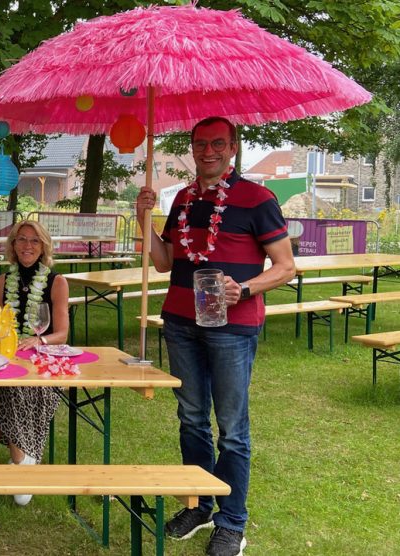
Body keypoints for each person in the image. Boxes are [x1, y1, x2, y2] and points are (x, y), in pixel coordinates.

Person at [135, 117, 295, 556]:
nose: (208, 151)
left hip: (233, 329)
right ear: (191, 147)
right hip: (181, 323)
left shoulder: (258, 199)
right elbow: (165, 261)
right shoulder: (183, 199)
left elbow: (285, 266)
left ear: (233, 147)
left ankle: (231, 521)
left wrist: (243, 289)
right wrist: (142, 216)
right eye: (200, 143)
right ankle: (200, 504)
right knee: (191, 419)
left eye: (218, 143)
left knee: (232, 430)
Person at [0, 220, 69, 506]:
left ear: (44, 246)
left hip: (42, 367)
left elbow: (61, 333)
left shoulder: (57, 281)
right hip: (9, 358)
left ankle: (12, 460)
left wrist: (39, 341)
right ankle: (11, 465)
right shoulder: (2, 281)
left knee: (5, 389)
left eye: (34, 241)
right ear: (12, 245)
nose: (27, 246)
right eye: (21, 240)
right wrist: (1, 340)